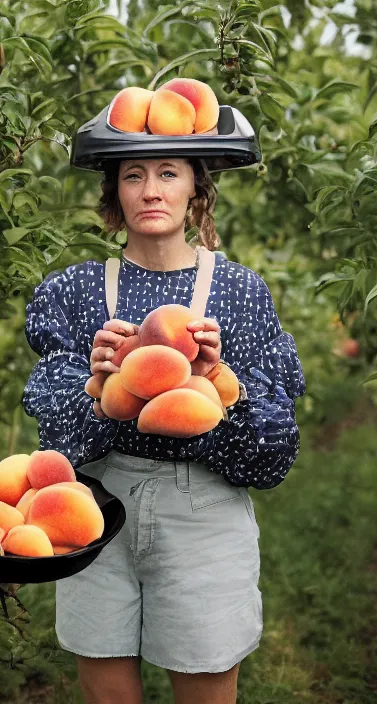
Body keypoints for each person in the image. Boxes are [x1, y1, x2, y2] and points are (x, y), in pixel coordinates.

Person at [21, 155, 306, 704]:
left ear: (196, 186)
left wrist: (218, 382)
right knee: (107, 693)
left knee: (205, 685)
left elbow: (272, 457)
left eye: (169, 173)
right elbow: (54, 442)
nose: (151, 190)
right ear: (114, 192)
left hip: (202, 510)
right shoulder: (76, 292)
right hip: (93, 507)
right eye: (133, 176)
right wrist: (98, 395)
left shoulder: (239, 292)